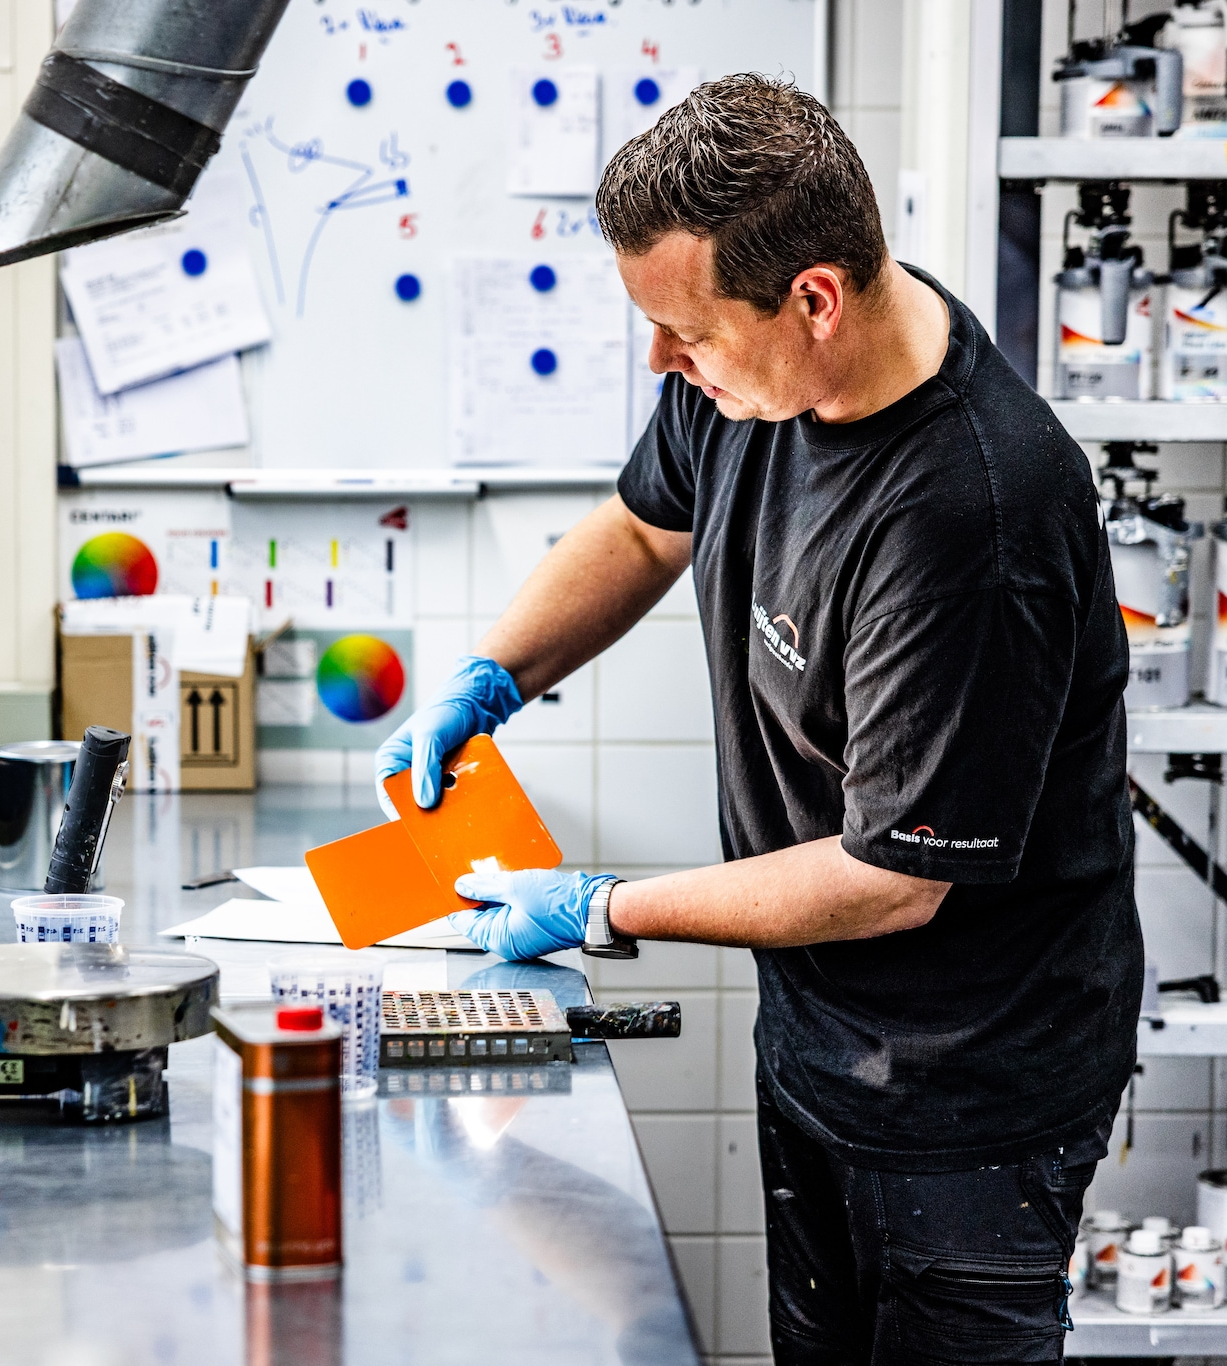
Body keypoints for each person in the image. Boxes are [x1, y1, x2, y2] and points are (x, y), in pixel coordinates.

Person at [374, 75, 1140, 1365]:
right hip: (823, 1039)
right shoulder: (758, 374)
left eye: (686, 335)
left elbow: (893, 880)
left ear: (817, 299)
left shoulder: (969, 518)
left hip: (973, 1093)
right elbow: (638, 526)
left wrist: (603, 905)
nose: (664, 365)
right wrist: (495, 671)